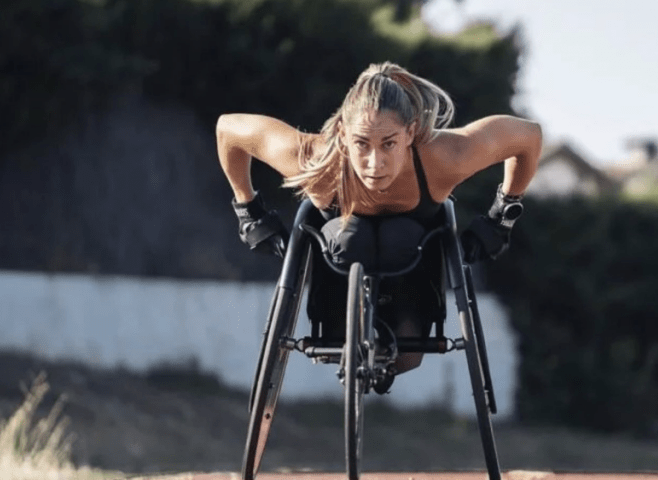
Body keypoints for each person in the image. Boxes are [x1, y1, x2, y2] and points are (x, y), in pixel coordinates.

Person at [216, 61, 542, 392]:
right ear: (343, 135)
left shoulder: (443, 157)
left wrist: (502, 215)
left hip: (415, 252)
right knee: (353, 239)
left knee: (407, 358)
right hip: (340, 254)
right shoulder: (314, 159)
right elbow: (228, 129)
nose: (375, 163)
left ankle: (392, 348)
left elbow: (528, 136)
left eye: (388, 143)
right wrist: (248, 210)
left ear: (410, 134)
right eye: (361, 144)